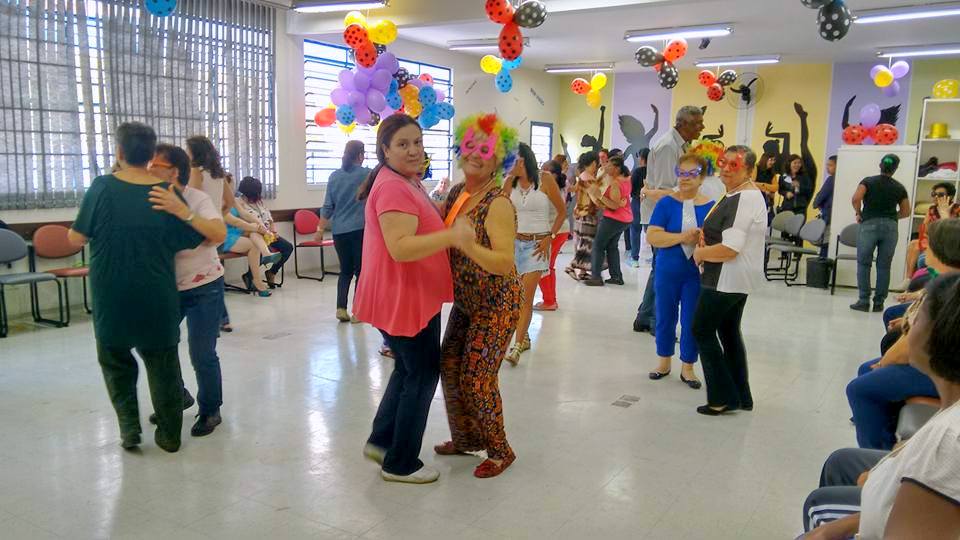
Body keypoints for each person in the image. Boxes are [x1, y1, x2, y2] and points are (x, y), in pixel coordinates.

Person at [67, 122, 204, 452]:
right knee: (163, 364)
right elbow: (190, 238)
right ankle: (170, 435)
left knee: (115, 362)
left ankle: (129, 428)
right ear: (151, 156)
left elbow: (75, 238)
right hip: (156, 291)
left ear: (119, 152)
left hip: (111, 292)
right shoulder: (166, 191)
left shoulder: (101, 187)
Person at [801, 272, 960, 540]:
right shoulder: (949, 410)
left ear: (938, 334)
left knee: (818, 504)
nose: (908, 325)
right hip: (885, 512)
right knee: (840, 462)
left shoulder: (947, 441)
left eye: (916, 317)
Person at [353, 114, 457, 484]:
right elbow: (401, 247)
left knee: (408, 368)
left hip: (407, 295)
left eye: (417, 142)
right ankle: (400, 462)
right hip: (403, 297)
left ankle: (382, 442)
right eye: (403, 144)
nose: (414, 150)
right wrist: (452, 236)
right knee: (423, 373)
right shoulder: (393, 187)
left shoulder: (404, 180)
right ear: (385, 150)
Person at [435, 113, 522, 479]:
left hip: (496, 303)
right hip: (467, 301)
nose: (475, 154)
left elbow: (503, 263)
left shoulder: (498, 204)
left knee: (477, 378)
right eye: (470, 146)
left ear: (498, 159)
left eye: (485, 150)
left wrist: (467, 246)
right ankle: (467, 438)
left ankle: (500, 451)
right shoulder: (458, 192)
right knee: (450, 366)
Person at [845, 218, 960, 450]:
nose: (923, 247)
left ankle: (876, 454)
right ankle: (884, 432)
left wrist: (886, 362)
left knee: (860, 388)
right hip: (943, 362)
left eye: (930, 244)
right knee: (867, 371)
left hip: (946, 370)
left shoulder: (949, 290)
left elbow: (908, 347)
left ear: (942, 252)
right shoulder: (948, 283)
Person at [147, 143, 228, 437]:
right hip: (166, 288)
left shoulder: (197, 198)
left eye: (154, 166)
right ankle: (177, 396)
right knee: (159, 347)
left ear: (174, 171)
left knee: (201, 352)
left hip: (204, 285)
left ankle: (210, 409)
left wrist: (183, 212)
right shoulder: (149, 199)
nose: (148, 170)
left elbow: (218, 234)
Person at [691, 146, 767, 416]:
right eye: (723, 162)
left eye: (734, 165)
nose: (725, 168)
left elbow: (730, 248)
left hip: (726, 278)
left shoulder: (743, 198)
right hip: (733, 278)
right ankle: (740, 394)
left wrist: (700, 253)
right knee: (729, 332)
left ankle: (722, 397)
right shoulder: (736, 194)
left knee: (701, 329)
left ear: (748, 170)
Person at [647, 154, 715, 389]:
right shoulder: (667, 203)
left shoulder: (710, 206)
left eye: (691, 174)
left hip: (696, 273)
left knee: (691, 319)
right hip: (668, 269)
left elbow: (715, 240)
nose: (685, 179)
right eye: (681, 173)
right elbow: (653, 235)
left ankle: (688, 366)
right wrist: (681, 237)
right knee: (665, 316)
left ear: (702, 177)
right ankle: (663, 361)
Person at [635, 106, 705, 334]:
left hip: (667, 210)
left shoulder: (680, 145)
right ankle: (656, 321)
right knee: (665, 268)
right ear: (682, 124)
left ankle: (645, 317)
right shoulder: (668, 147)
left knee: (659, 268)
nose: (702, 127)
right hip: (662, 214)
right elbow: (668, 189)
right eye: (697, 124)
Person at [504, 143, 565, 365]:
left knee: (525, 298)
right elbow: (500, 213)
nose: (507, 166)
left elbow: (561, 212)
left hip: (537, 246)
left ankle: (517, 346)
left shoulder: (546, 179)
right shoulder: (508, 183)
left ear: (522, 161)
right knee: (514, 298)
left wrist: (550, 235)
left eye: (511, 161)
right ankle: (525, 336)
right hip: (514, 245)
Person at [316, 140, 370, 323]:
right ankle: (357, 311)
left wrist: (320, 229)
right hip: (359, 230)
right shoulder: (366, 174)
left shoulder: (334, 176)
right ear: (360, 155)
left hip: (339, 231)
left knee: (345, 271)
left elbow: (327, 206)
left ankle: (340, 308)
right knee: (361, 271)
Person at [851, 154, 911, 313]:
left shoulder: (868, 181)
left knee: (864, 263)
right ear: (896, 168)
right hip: (891, 228)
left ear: (880, 165)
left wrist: (859, 213)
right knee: (884, 266)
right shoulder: (899, 187)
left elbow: (856, 198)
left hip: (869, 224)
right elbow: (906, 212)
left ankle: (863, 301)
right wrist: (891, 217)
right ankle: (879, 303)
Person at [899, 182, 959, 290]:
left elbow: (953, 233)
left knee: (924, 258)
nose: (936, 197)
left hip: (948, 247)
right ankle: (908, 279)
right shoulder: (932, 210)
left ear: (949, 196)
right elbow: (924, 230)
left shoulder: (957, 209)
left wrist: (944, 214)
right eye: (933, 194)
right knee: (914, 243)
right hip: (932, 242)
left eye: (940, 195)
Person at [584, 156, 633, 286]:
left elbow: (615, 205)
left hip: (614, 219)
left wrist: (598, 195)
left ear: (617, 168)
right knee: (612, 246)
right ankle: (616, 276)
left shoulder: (616, 183)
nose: (606, 167)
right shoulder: (626, 179)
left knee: (598, 245)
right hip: (625, 218)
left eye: (609, 165)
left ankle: (596, 277)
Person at [237, 176, 293, 289]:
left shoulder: (259, 202)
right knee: (260, 250)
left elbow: (270, 219)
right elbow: (242, 223)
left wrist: (273, 231)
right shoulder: (238, 203)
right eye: (253, 194)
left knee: (288, 247)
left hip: (267, 234)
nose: (256, 197)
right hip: (251, 234)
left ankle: (272, 272)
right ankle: (250, 276)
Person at [533, 159, 571, 312]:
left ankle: (549, 301)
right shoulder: (555, 185)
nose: (542, 173)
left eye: (545, 171)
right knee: (547, 266)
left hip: (556, 230)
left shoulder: (550, 187)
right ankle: (550, 299)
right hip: (558, 230)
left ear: (554, 175)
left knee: (543, 266)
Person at [564, 151, 602, 281]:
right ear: (593, 163)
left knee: (581, 243)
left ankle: (582, 271)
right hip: (587, 215)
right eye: (596, 164)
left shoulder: (582, 176)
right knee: (586, 245)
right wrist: (608, 205)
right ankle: (571, 266)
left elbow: (574, 190)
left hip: (579, 213)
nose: (597, 167)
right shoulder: (590, 179)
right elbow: (595, 199)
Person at [628, 148, 649, 268]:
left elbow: (631, 189)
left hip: (637, 202)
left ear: (641, 158)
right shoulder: (654, 171)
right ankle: (654, 257)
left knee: (635, 230)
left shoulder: (636, 172)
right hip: (650, 202)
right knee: (651, 229)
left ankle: (635, 258)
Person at [813, 155, 837, 258]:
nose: (828, 167)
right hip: (834, 216)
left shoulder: (831, 179)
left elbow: (820, 197)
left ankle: (822, 268)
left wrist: (816, 204)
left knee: (825, 244)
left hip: (828, 216)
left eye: (830, 165)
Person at [755, 152, 779, 223]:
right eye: (771, 160)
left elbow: (775, 188)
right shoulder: (756, 168)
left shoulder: (772, 173)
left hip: (766, 202)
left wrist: (763, 185)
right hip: (755, 200)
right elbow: (752, 184)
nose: (772, 162)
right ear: (765, 159)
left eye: (774, 160)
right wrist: (765, 189)